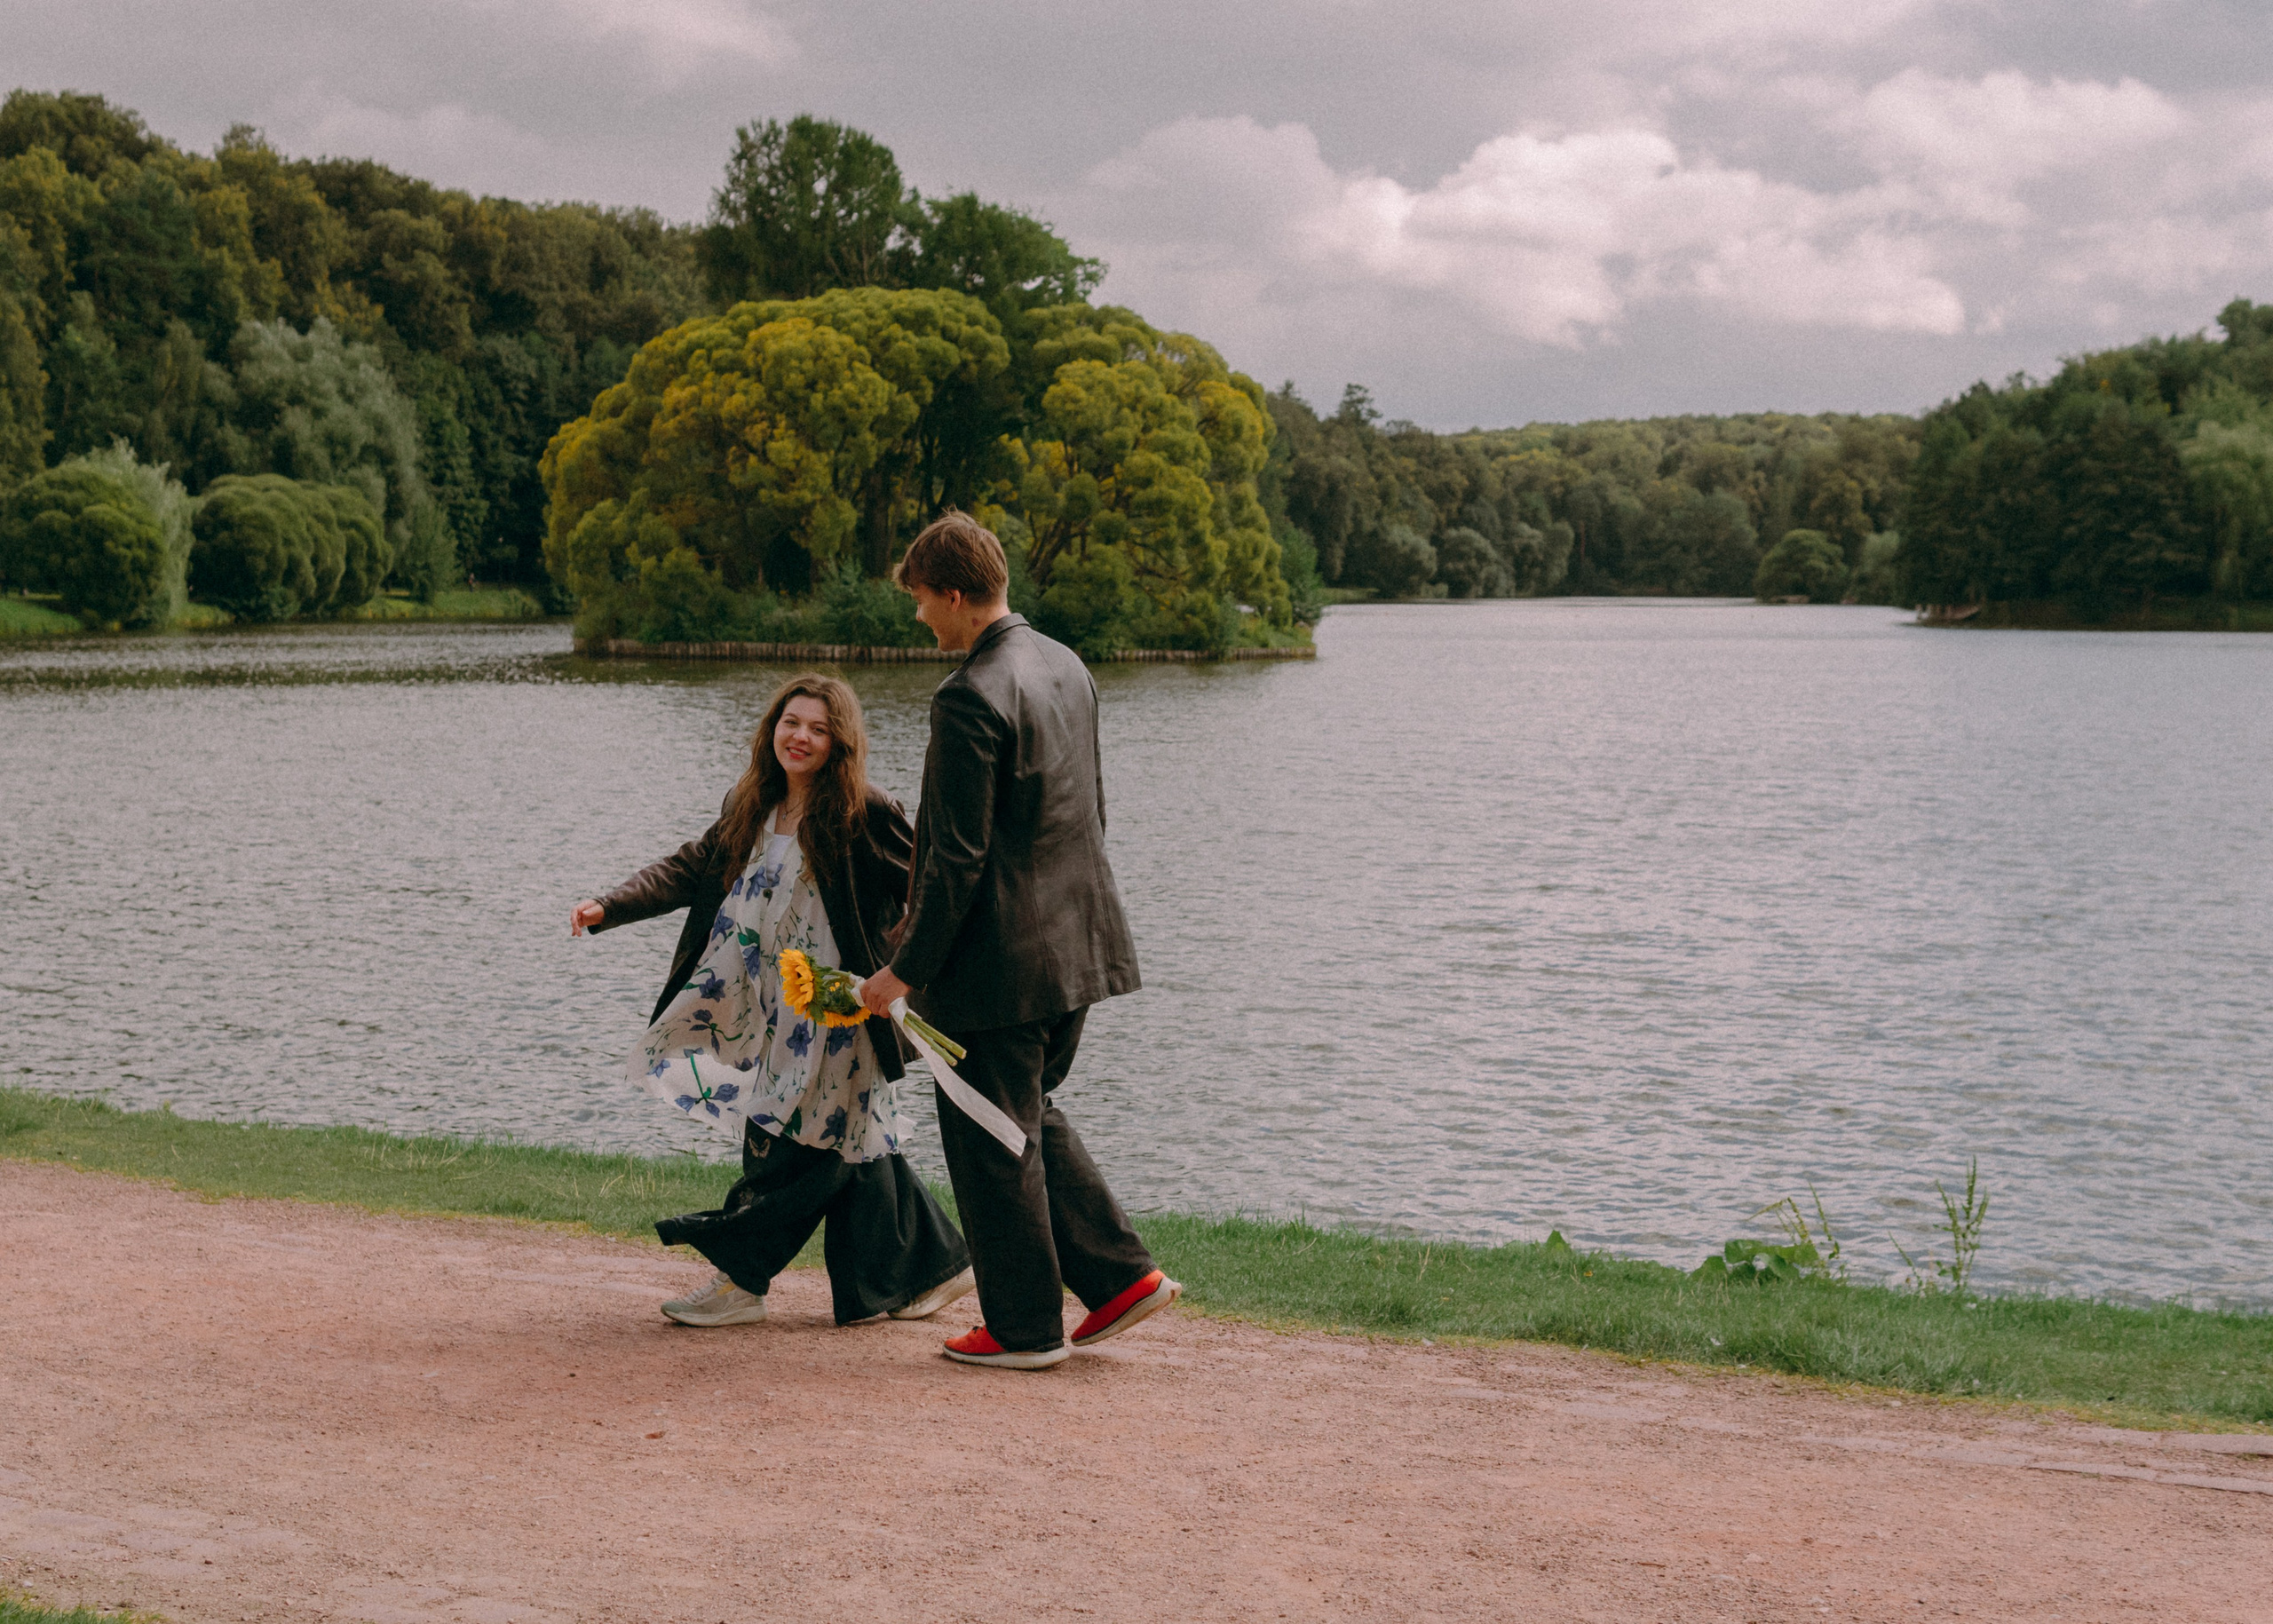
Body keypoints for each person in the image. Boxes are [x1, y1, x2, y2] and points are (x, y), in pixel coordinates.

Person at [859, 512, 1179, 1369]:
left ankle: (1023, 1326)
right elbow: (1092, 813)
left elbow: (952, 859)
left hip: (1000, 967)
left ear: (957, 595)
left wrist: (901, 972)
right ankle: (1120, 1279)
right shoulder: (1066, 665)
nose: (921, 618)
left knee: (988, 1135)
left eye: (924, 602)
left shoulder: (969, 694)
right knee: (1023, 1114)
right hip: (1079, 947)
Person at [573, 673, 974, 1328]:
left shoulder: (862, 810)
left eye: (819, 728)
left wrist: (902, 972)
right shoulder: (751, 802)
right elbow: (691, 865)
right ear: (773, 728)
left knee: (785, 1136)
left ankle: (740, 1278)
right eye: (793, 722)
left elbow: (928, 891)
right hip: (771, 1009)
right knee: (848, 1140)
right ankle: (933, 1266)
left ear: (839, 741)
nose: (802, 737)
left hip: (840, 1015)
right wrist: (611, 905)